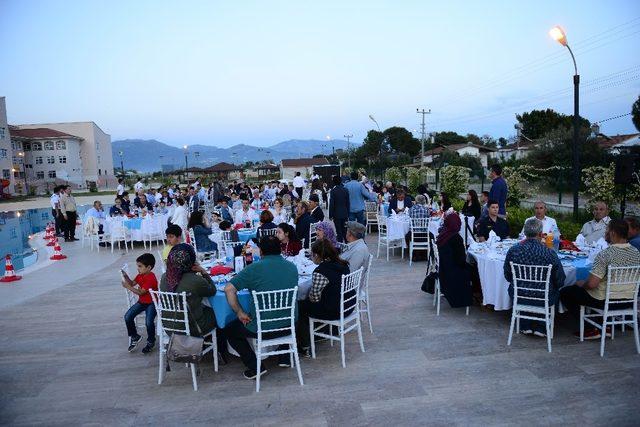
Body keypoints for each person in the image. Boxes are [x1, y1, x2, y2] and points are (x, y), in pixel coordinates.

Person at [224, 235, 299, 378]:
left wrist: (240, 313)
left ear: (261, 251)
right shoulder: (292, 267)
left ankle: (255, 367)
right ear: (280, 249)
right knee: (282, 308)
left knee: (229, 330)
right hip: (289, 325)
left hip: (262, 328)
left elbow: (229, 289)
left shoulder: (254, 269)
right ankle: (284, 356)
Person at [560, 219, 640, 340]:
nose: (605, 233)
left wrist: (581, 284)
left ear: (613, 233)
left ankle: (590, 328)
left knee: (566, 292)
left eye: (607, 230)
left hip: (606, 301)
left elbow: (592, 284)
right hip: (629, 300)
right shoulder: (636, 253)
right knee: (598, 289)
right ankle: (604, 325)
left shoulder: (605, 254)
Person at [504, 218, 565, 336]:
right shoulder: (549, 253)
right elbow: (560, 279)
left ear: (525, 233)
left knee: (517, 288)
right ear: (541, 234)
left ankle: (525, 324)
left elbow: (507, 275)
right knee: (554, 290)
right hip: (544, 297)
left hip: (520, 296)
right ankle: (541, 327)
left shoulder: (513, 250)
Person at [296, 239, 350, 356]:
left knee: (299, 306)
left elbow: (314, 298)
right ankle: (318, 331)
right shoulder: (343, 264)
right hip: (348, 305)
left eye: (312, 254)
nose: (311, 257)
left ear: (317, 255)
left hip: (334, 311)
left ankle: (305, 345)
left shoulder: (320, 271)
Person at [159, 244, 217, 337]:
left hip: (169, 326)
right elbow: (212, 290)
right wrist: (204, 272)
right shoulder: (196, 280)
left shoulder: (164, 277)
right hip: (192, 328)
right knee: (217, 312)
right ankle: (221, 348)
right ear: (191, 260)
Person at [122, 253, 158, 354]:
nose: (138, 268)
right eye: (138, 266)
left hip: (152, 303)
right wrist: (126, 277)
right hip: (142, 302)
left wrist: (128, 287)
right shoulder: (140, 275)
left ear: (149, 267)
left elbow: (141, 292)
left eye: (140, 266)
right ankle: (135, 336)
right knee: (127, 316)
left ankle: (151, 341)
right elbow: (133, 283)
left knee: (148, 322)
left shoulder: (151, 278)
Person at [436, 213, 473, 309]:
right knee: (476, 270)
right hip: (452, 272)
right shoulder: (455, 238)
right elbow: (460, 260)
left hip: (444, 269)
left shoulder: (443, 234)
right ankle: (476, 296)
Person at [329, 175, 350, 243]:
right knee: (345, 230)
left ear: (334, 182)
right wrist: (348, 213)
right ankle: (347, 244)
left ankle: (340, 246)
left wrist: (330, 215)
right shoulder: (346, 190)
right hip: (345, 214)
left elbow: (332, 204)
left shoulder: (333, 191)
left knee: (338, 231)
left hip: (336, 214)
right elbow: (348, 203)